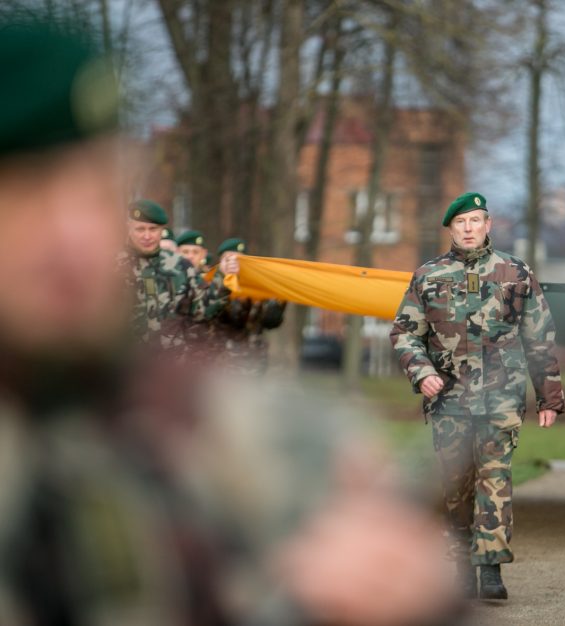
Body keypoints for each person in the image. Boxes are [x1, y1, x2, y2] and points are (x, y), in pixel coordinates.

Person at [0, 13, 458, 626]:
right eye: (28, 194)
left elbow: (218, 313)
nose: (72, 237)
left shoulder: (257, 438)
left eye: (92, 192)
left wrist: (402, 598)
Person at [390, 191, 565, 600]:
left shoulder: (515, 272)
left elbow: (539, 337)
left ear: (488, 224)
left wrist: (549, 397)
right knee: (455, 488)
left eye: (475, 221)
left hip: (500, 399)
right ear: (451, 229)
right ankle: (459, 570)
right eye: (460, 223)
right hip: (448, 402)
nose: (468, 229)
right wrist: (422, 373)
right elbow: (404, 333)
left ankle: (490, 570)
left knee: (495, 479)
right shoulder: (428, 275)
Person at [119, 199, 234, 352]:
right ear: (129, 229)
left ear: (162, 230)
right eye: (140, 229)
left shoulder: (180, 266)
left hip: (172, 367)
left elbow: (202, 311)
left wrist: (223, 279)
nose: (147, 236)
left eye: (153, 229)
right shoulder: (109, 266)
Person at [213, 237, 287, 373]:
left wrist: (279, 299)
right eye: (228, 259)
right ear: (220, 262)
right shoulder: (211, 285)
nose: (233, 264)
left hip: (253, 362)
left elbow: (271, 322)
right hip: (221, 362)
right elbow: (216, 314)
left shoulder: (258, 288)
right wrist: (224, 280)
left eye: (239, 260)